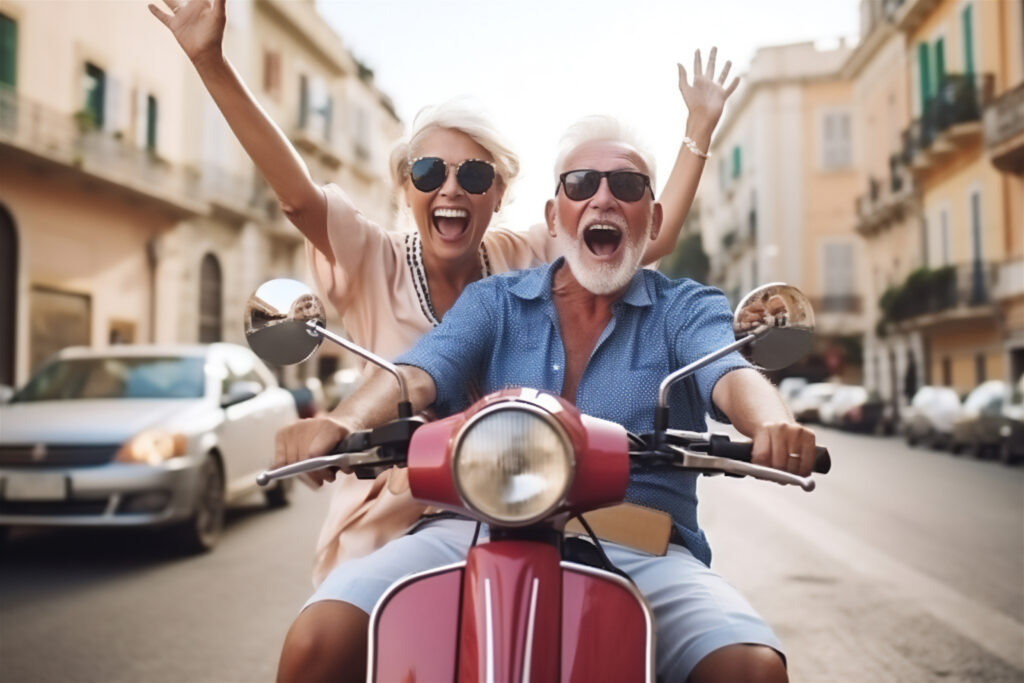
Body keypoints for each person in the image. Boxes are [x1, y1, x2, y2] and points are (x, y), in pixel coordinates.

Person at [150, 0, 742, 585]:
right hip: (398, 507)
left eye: (475, 175)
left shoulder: (518, 259)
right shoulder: (371, 254)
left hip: (516, 509)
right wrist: (210, 62)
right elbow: (298, 198)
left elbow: (641, 237)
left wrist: (697, 132)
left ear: (499, 193)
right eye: (429, 173)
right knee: (331, 639)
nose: (451, 189)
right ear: (406, 189)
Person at [274, 117, 819, 683]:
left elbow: (727, 371)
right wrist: (343, 419)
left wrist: (772, 422)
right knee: (319, 639)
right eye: (581, 184)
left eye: (627, 186)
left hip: (641, 541)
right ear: (555, 217)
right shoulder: (494, 301)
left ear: (652, 218)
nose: (602, 199)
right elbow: (420, 371)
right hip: (475, 528)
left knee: (750, 668)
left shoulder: (686, 307)